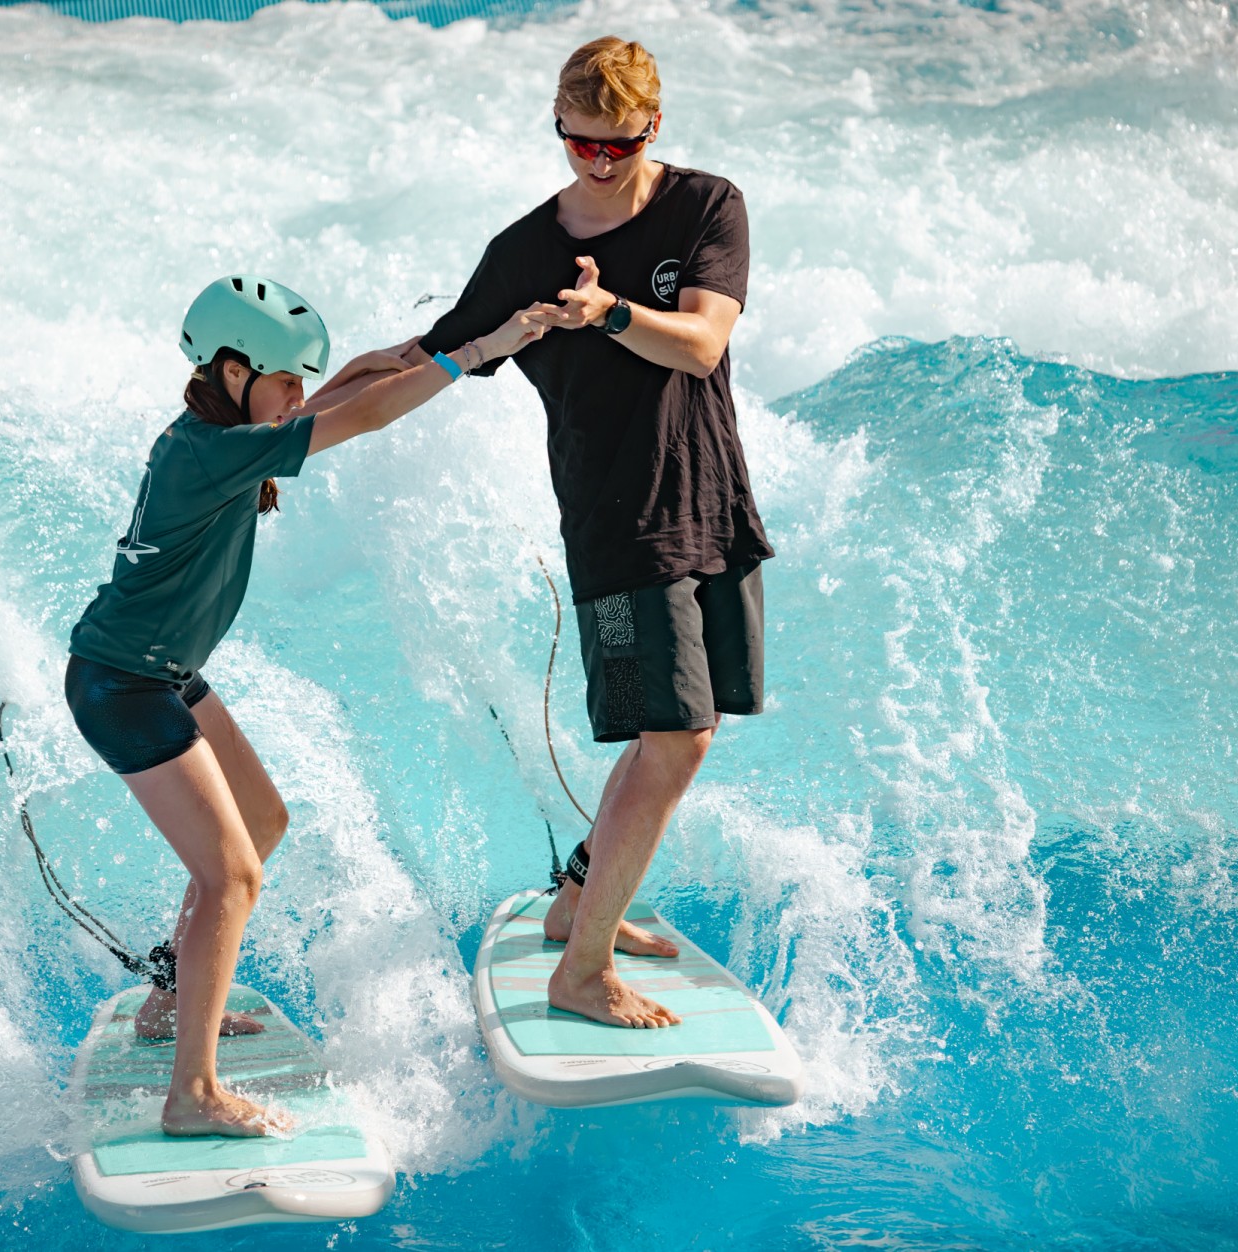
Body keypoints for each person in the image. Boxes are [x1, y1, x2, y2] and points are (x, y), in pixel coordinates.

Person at [66, 275, 543, 1135]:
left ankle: (168, 1003)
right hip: (122, 684)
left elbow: (336, 400)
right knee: (232, 875)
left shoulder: (223, 433)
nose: (296, 394)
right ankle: (192, 1095)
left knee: (262, 823)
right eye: (285, 378)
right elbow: (361, 418)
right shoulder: (208, 452)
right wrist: (478, 353)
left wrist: (400, 356)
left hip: (162, 672)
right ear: (234, 370)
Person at [407, 37, 772, 1029]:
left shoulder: (707, 206)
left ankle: (578, 900)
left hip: (711, 502)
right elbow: (429, 355)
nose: (598, 162)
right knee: (675, 739)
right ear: (558, 127)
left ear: (653, 126)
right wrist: (296, 420)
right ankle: (582, 969)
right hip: (620, 524)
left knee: (684, 736)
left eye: (618, 144)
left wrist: (609, 312)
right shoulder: (525, 251)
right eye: (579, 143)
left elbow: (701, 344)